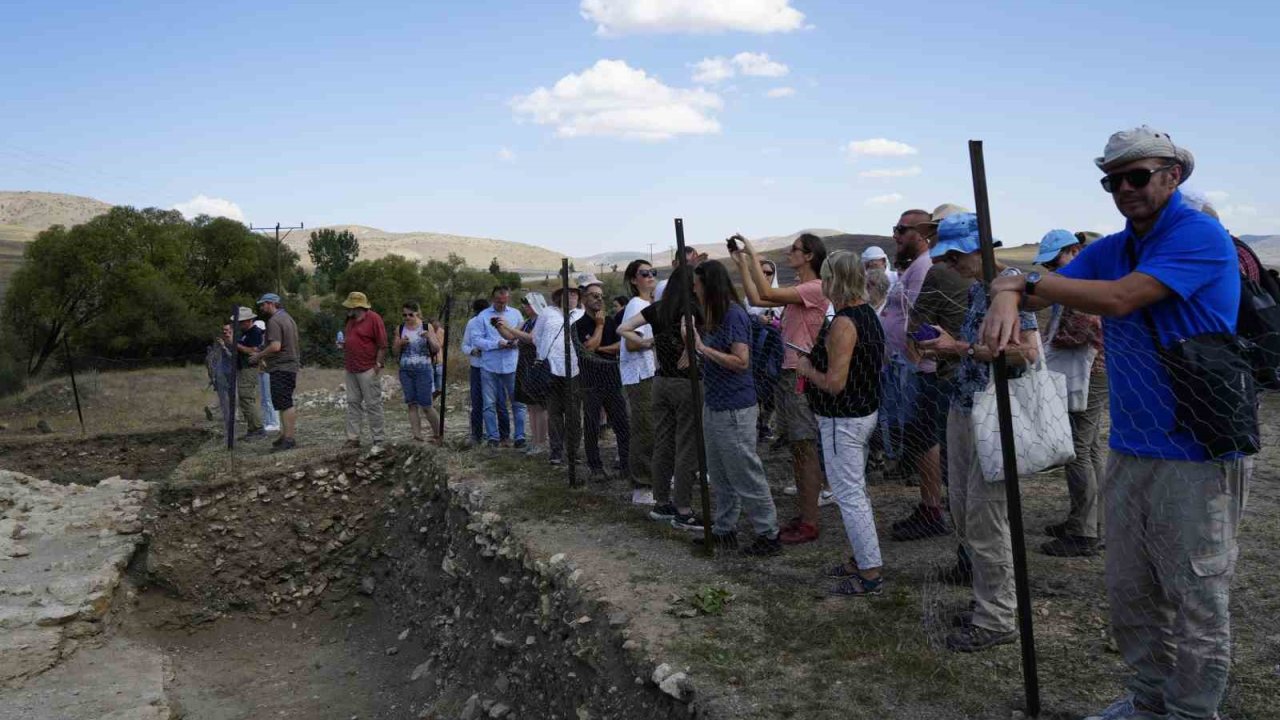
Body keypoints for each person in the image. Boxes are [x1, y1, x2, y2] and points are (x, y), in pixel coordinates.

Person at [982, 127, 1247, 720]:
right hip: (1131, 444)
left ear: (1173, 175)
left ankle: (1192, 712)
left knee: (1195, 595)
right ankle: (1149, 700)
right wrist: (1008, 289)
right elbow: (1043, 286)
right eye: (1113, 180)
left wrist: (1020, 284)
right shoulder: (1119, 244)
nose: (1124, 188)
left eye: (1138, 175)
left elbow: (1122, 298)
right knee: (1131, 591)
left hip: (1196, 448)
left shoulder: (1198, 235)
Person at [916, 212, 1040, 653]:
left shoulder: (1015, 294)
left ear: (977, 249)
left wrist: (959, 347)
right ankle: (989, 601)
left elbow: (1025, 355)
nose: (949, 264)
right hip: (965, 407)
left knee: (987, 518)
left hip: (994, 416)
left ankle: (997, 617)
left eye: (954, 255)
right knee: (966, 512)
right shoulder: (976, 292)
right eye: (945, 257)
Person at [797, 252, 886, 594]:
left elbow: (835, 382)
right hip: (860, 414)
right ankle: (863, 558)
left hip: (843, 419)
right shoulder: (866, 315)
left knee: (849, 495)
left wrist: (807, 370)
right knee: (856, 491)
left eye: (825, 278)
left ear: (835, 280)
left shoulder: (845, 323)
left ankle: (870, 573)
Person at [891, 205, 975, 564]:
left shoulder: (939, 273)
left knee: (931, 441)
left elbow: (918, 324)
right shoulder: (988, 276)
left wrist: (921, 347)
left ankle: (940, 518)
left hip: (938, 369)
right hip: (970, 370)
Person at [734, 232, 828, 545]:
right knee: (798, 449)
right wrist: (743, 265)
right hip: (789, 375)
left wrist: (751, 254)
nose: (790, 252)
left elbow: (767, 295)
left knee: (804, 447)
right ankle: (806, 514)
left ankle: (811, 520)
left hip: (799, 375)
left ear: (810, 255)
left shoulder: (814, 288)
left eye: (795, 249)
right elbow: (758, 300)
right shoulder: (802, 290)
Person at [691, 260, 781, 555]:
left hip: (735, 408)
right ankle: (724, 529)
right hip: (714, 403)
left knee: (744, 470)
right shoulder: (712, 315)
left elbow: (741, 361)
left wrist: (704, 350)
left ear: (709, 285)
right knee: (719, 472)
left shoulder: (733, 315)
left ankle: (768, 534)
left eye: (697, 283)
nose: (694, 288)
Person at [1032, 230, 1107, 557]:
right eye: (1047, 264)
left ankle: (1084, 532)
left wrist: (1047, 344)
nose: (1052, 269)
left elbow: (1085, 330)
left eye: (1055, 261)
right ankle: (1092, 520)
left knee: (1077, 449)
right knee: (1088, 447)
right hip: (1093, 372)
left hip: (1089, 373)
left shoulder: (1085, 284)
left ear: (1074, 250)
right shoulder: (1085, 279)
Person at [619, 265, 702, 528]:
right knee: (687, 445)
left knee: (663, 442)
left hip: (660, 381)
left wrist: (649, 343)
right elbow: (692, 336)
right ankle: (683, 508)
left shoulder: (658, 308)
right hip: (686, 382)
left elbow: (623, 328)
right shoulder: (692, 309)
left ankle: (661, 501)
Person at [575, 278, 631, 481]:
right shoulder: (579, 325)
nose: (599, 299)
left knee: (622, 423)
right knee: (592, 425)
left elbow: (619, 346)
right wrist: (598, 327)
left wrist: (598, 346)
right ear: (583, 299)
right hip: (590, 382)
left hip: (612, 380)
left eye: (601, 296)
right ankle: (596, 467)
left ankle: (626, 464)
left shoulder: (611, 321)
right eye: (594, 295)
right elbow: (587, 349)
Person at [619, 260, 658, 505]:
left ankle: (655, 476)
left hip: (651, 371)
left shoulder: (650, 304)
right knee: (644, 427)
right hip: (639, 374)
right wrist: (657, 341)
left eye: (653, 272)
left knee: (655, 426)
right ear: (634, 280)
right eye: (644, 273)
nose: (650, 276)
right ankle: (642, 486)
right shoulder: (636, 304)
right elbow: (632, 343)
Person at [533, 286, 584, 465]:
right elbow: (536, 336)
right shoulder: (548, 313)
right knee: (554, 413)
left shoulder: (581, 314)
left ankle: (573, 451)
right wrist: (544, 356)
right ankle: (556, 451)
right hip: (551, 370)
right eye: (567, 294)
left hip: (575, 371)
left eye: (575, 294)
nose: (571, 297)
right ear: (559, 297)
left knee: (574, 414)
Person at [474, 287, 526, 448]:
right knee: (489, 403)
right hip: (490, 365)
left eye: (505, 301)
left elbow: (522, 333)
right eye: (498, 301)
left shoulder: (516, 314)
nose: (502, 305)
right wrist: (496, 343)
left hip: (512, 364)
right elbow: (477, 340)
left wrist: (515, 342)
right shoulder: (482, 316)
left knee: (518, 402)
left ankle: (519, 436)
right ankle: (493, 437)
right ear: (492, 299)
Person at [249, 293, 301, 451]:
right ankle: (285, 435)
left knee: (285, 402)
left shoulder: (274, 321)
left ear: (271, 304)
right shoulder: (287, 318)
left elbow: (276, 346)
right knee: (282, 401)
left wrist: (258, 355)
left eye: (263, 304)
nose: (262, 307)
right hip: (289, 364)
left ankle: (289, 438)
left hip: (282, 366)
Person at [336, 291, 388, 450]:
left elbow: (382, 344)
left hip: (368, 368)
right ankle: (353, 438)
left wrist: (378, 365)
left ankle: (378, 438)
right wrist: (344, 345)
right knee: (353, 403)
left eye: (350, 306)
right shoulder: (350, 320)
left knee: (373, 404)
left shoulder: (374, 319)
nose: (348, 309)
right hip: (351, 368)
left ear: (358, 306)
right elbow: (353, 340)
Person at [462, 298, 509, 446]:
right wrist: (472, 351)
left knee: (500, 401)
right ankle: (477, 435)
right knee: (477, 401)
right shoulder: (472, 323)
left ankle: (504, 435)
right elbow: (464, 344)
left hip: (494, 367)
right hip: (477, 367)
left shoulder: (496, 322)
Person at [507, 294, 550, 455]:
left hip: (537, 364)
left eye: (528, 304)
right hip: (524, 364)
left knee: (539, 405)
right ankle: (535, 440)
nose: (525, 306)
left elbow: (531, 338)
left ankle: (542, 442)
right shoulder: (525, 322)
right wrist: (500, 326)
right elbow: (511, 336)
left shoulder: (542, 320)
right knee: (530, 406)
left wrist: (508, 328)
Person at [394, 301, 441, 443]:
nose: (407, 317)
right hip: (406, 370)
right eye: (404, 315)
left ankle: (438, 434)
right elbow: (395, 351)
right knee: (411, 404)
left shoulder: (427, 327)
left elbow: (436, 349)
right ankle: (417, 436)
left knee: (426, 405)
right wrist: (400, 343)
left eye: (410, 314)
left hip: (423, 369)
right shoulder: (400, 328)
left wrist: (428, 338)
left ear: (417, 313)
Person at [230, 306, 266, 440]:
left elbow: (253, 351)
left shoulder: (254, 333)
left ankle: (257, 429)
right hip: (244, 367)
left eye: (241, 321)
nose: (238, 324)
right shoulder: (245, 333)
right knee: (245, 399)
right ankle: (252, 428)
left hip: (249, 368)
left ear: (248, 321)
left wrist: (235, 344)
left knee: (247, 398)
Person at [253, 317, 279, 433]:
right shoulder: (258, 341)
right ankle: (267, 421)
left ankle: (274, 423)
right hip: (261, 370)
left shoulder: (268, 341)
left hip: (269, 370)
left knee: (269, 398)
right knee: (264, 398)